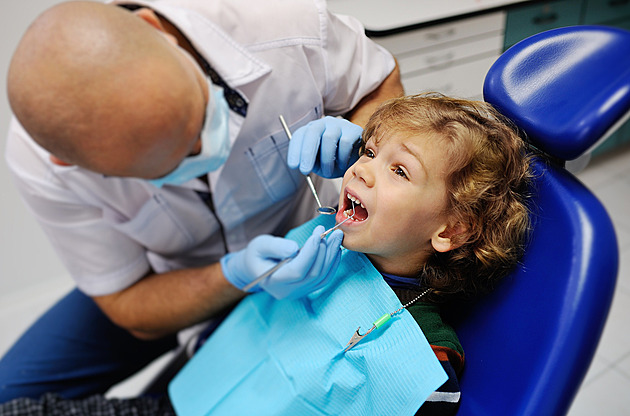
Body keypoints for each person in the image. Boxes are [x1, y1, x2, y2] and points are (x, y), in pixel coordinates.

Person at [0, 93, 534, 415]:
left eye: (399, 170)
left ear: (451, 230)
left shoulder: (429, 363)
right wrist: (244, 280)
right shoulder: (315, 240)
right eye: (369, 150)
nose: (361, 168)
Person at [1, 0, 404, 402]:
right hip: (170, 276)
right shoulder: (42, 162)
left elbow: (378, 81)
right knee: (9, 397)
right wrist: (234, 275)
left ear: (154, 28)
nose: (204, 152)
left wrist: (366, 136)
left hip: (297, 236)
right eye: (166, 169)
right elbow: (126, 301)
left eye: (197, 120)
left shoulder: (283, 24)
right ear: (68, 162)